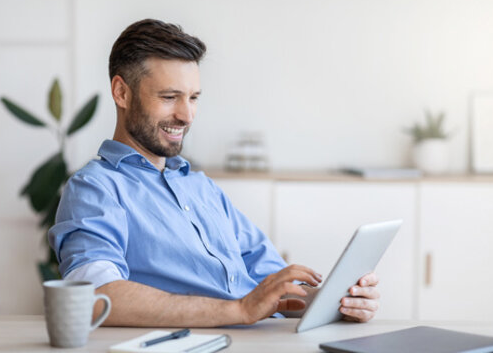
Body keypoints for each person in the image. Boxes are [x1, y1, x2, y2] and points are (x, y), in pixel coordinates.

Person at [48, 19, 380, 327]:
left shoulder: (199, 187)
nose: (186, 115)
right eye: (169, 97)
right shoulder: (95, 188)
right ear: (121, 92)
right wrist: (239, 310)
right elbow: (95, 295)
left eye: (193, 98)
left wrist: (335, 303)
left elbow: (274, 289)